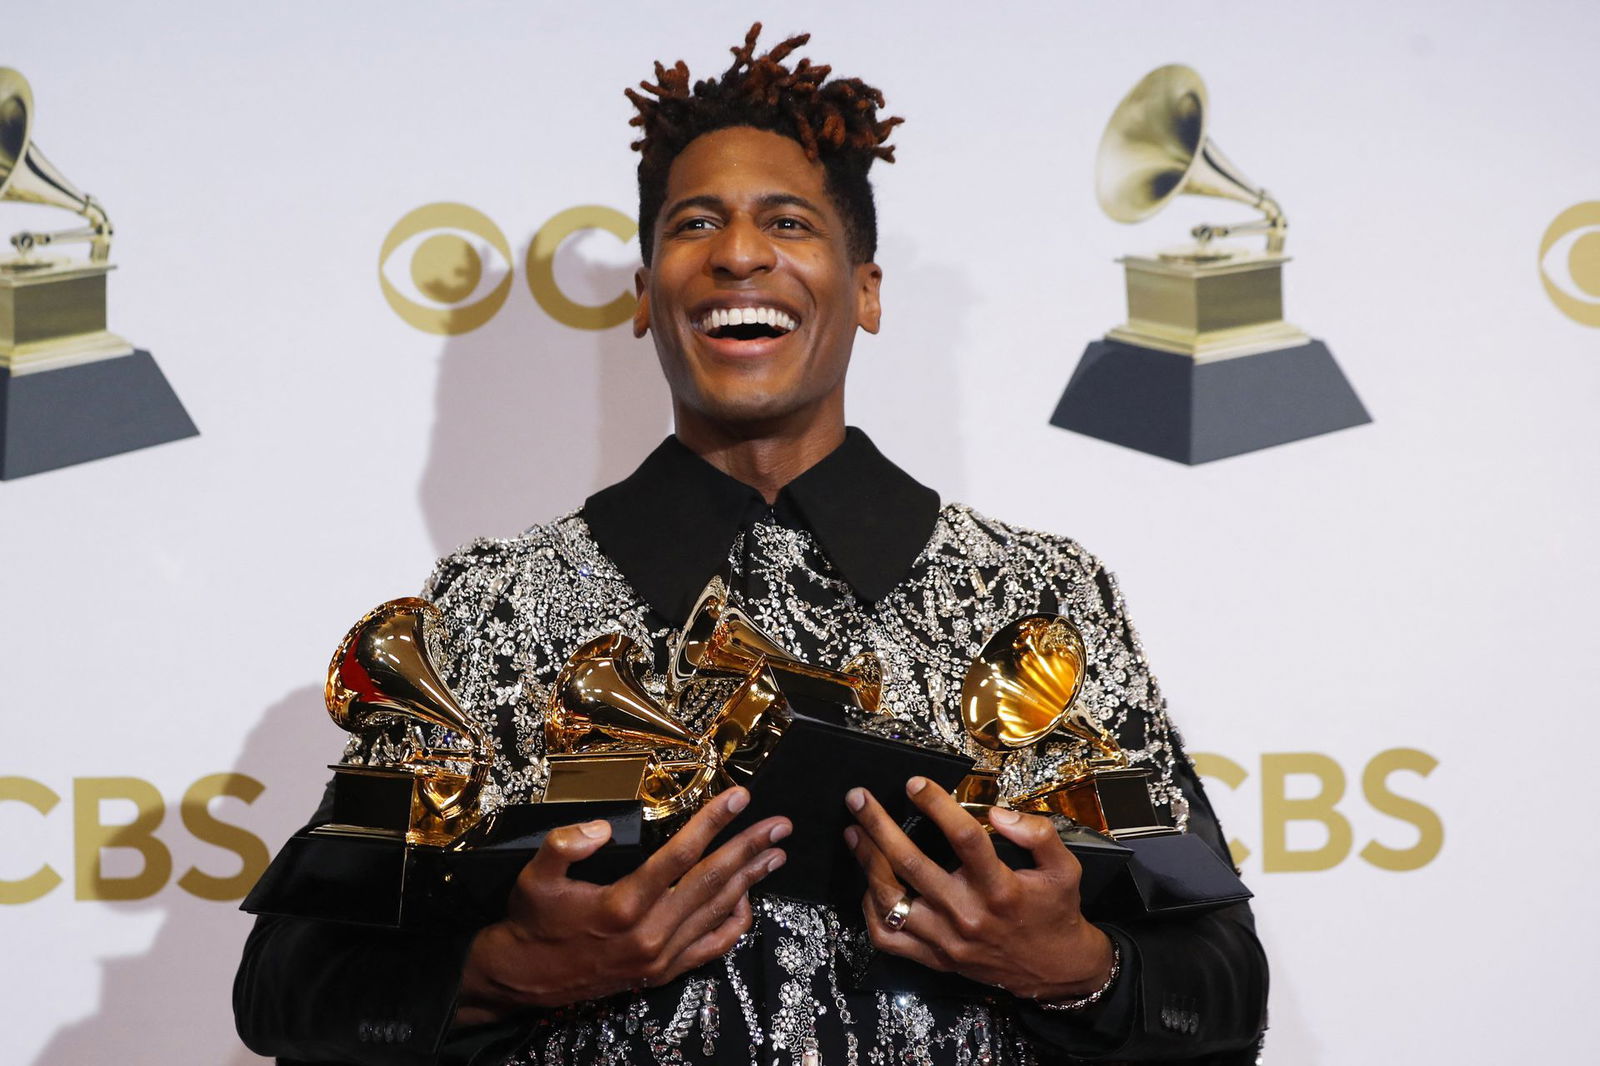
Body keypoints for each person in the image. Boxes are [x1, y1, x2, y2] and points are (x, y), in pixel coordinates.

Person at [235, 24, 1268, 1066]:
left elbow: (1223, 988)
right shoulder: (491, 605)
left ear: (864, 290)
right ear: (645, 297)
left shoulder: (1039, 599)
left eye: (786, 220)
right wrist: (507, 971)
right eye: (695, 223)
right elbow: (288, 989)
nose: (738, 252)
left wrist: (1075, 962)